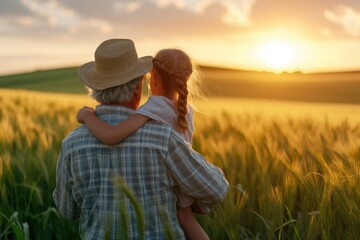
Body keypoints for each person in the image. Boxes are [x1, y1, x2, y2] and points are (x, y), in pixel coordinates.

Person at [52, 38, 229, 240]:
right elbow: (216, 190)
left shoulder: (71, 145)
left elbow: (67, 211)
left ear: (95, 90)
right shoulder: (163, 137)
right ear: (137, 88)